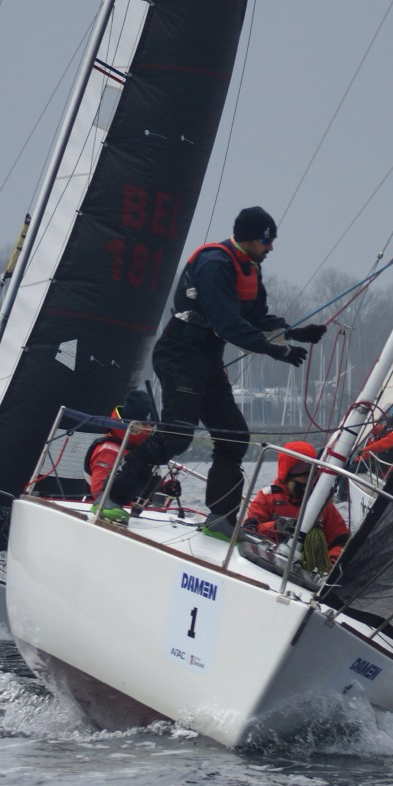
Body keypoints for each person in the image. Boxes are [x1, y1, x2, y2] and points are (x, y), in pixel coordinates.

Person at [109, 206, 326, 539]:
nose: (271, 247)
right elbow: (227, 323)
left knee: (234, 436)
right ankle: (112, 499)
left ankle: (219, 518)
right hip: (180, 354)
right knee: (177, 435)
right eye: (267, 240)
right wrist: (273, 350)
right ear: (250, 238)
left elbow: (255, 318)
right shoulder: (214, 264)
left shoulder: (249, 267)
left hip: (207, 359)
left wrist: (294, 333)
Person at [243, 441, 349, 572]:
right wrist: (278, 526)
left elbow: (341, 541)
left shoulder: (323, 505)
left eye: (309, 467)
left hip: (305, 570)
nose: (306, 473)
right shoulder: (268, 496)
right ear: (287, 471)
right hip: (265, 560)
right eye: (299, 467)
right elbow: (249, 530)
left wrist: (329, 564)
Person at [83, 389, 181, 524]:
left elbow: (135, 478)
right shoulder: (108, 450)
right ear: (131, 424)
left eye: (151, 425)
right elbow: (99, 490)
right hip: (103, 511)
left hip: (131, 512)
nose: (149, 429)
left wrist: (163, 487)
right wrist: (130, 502)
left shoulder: (140, 451)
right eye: (144, 424)